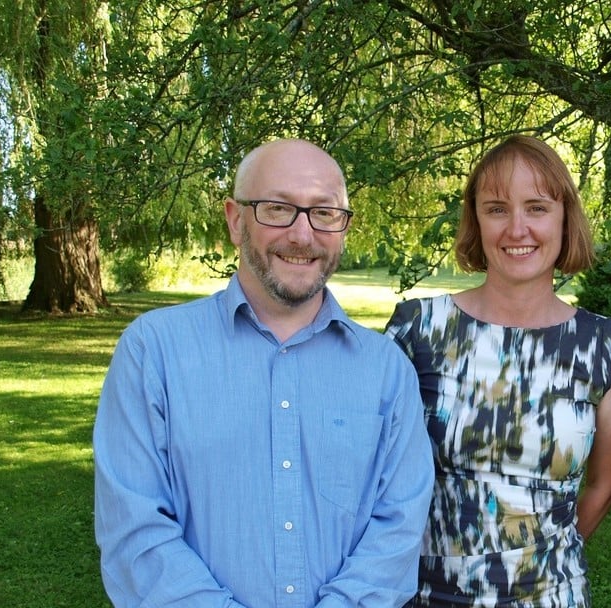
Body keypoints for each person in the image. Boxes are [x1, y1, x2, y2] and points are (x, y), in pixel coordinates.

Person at [93, 138, 434, 607]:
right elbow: (135, 532)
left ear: (343, 228)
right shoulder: (153, 352)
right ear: (236, 220)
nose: (302, 234)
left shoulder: (386, 371)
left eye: (324, 212)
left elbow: (397, 529)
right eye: (278, 209)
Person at [384, 135, 611, 607]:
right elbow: (373, 473)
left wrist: (537, 561)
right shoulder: (418, 330)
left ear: (565, 218)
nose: (517, 228)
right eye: (497, 209)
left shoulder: (607, 348)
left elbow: (605, 486)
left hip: (550, 594)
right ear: (476, 220)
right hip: (424, 594)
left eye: (537, 208)